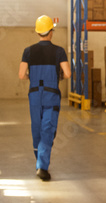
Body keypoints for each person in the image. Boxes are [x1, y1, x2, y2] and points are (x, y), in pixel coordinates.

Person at [19, 15, 71, 181]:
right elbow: (68, 73)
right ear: (51, 32)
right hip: (51, 96)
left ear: (38, 32)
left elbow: (21, 75)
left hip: (34, 95)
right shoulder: (59, 51)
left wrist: (31, 78)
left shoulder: (28, 51)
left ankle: (39, 162)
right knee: (47, 130)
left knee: (37, 130)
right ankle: (42, 166)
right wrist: (58, 76)